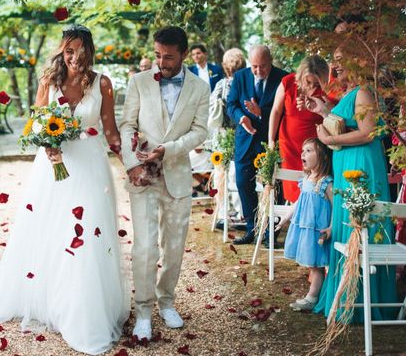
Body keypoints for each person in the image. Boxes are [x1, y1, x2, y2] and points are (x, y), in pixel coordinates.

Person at [0, 25, 129, 355]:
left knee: (87, 237)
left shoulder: (102, 83)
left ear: (90, 51)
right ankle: (52, 301)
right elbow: (36, 122)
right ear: (61, 51)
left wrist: (132, 162)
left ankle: (84, 307)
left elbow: (110, 130)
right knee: (54, 232)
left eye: (80, 50)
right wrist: (46, 144)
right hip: (53, 169)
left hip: (91, 167)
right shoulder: (48, 82)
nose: (74, 56)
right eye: (69, 50)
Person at [120, 26, 209, 340]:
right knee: (145, 246)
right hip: (143, 176)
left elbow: (200, 131)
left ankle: (166, 301)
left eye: (168, 57)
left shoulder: (200, 87)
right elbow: (127, 124)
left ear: (183, 54)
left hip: (177, 174)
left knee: (173, 247)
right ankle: (143, 310)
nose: (161, 62)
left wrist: (168, 150)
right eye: (158, 55)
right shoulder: (138, 82)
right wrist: (132, 164)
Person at [311, 45, 397, 322]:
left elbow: (367, 133)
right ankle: (345, 296)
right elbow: (345, 125)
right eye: (333, 61)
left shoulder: (363, 92)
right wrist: (326, 113)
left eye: (341, 60)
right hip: (347, 161)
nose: (335, 67)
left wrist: (329, 140)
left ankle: (364, 300)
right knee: (347, 222)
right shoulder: (350, 93)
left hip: (361, 163)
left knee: (361, 223)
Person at [226, 45, 289, 244]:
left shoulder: (284, 78)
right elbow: (231, 105)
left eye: (263, 66)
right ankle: (252, 229)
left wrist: (261, 111)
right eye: (255, 67)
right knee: (243, 183)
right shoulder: (240, 77)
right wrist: (242, 117)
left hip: (271, 141)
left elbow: (285, 112)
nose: (258, 71)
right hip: (245, 139)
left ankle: (272, 232)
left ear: (271, 61)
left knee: (274, 186)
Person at [279, 138, 333, 311]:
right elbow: (298, 202)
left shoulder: (326, 182)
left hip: (318, 230)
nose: (303, 154)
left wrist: (331, 228)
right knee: (312, 264)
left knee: (316, 265)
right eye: (303, 150)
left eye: (309, 150)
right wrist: (286, 217)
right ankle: (315, 293)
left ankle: (312, 297)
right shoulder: (307, 179)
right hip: (305, 228)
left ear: (323, 157)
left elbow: (337, 208)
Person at [268, 55, 330, 203]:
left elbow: (332, 114)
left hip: (315, 146)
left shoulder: (327, 89)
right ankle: (295, 220)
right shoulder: (288, 82)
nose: (312, 86)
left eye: (316, 83)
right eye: (308, 81)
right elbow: (276, 111)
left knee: (313, 185)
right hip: (289, 144)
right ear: (301, 74)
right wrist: (271, 140)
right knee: (292, 187)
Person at [208, 48, 246, 229]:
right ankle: (241, 213)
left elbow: (211, 110)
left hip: (222, 135)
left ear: (225, 66)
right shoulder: (246, 84)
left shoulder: (221, 85)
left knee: (220, 175)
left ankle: (223, 212)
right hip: (240, 133)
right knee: (237, 174)